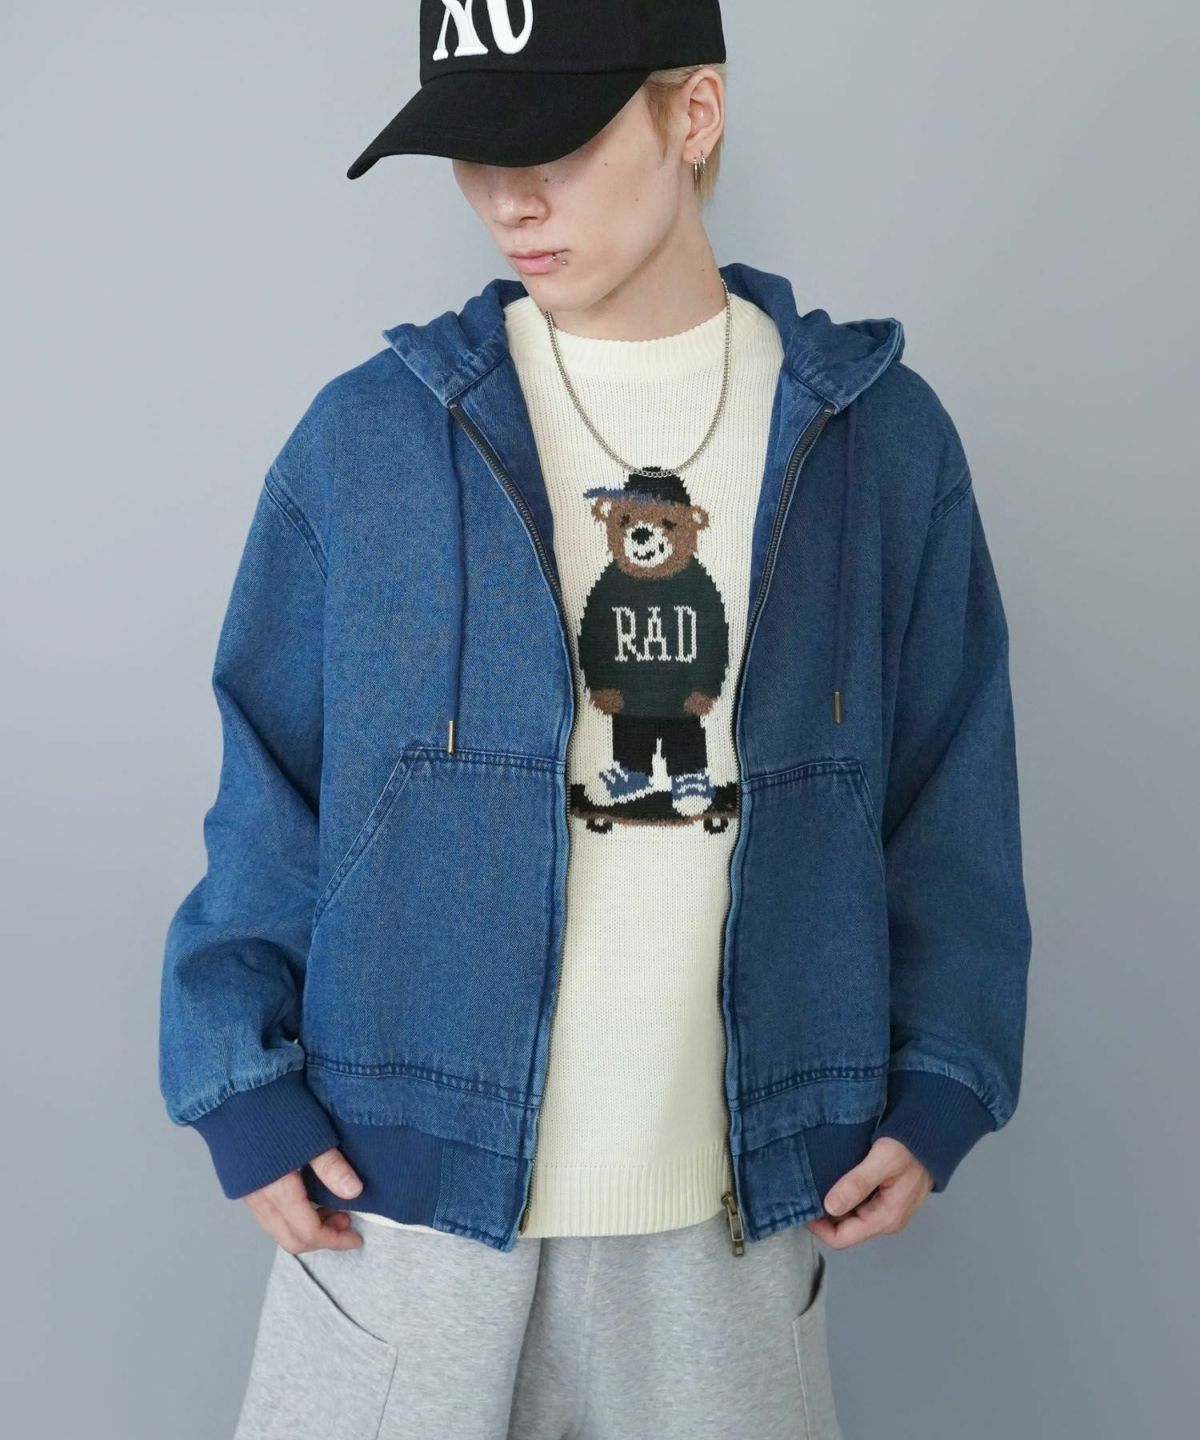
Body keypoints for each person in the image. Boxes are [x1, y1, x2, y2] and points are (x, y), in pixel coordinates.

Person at [158, 2, 1033, 1436]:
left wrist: (943, 1076)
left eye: (551, 144)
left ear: (693, 116)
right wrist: (239, 1085)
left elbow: (949, 788)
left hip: (729, 1217)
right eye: (472, 151)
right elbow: (268, 781)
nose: (508, 198)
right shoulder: (370, 440)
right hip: (400, 1215)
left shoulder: (874, 442)